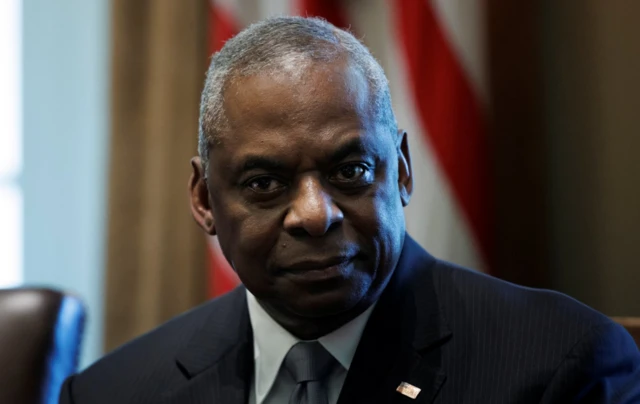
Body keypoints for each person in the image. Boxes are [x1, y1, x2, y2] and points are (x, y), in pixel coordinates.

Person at [59, 16, 640, 404]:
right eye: (265, 183)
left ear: (404, 171)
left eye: (351, 172)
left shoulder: (559, 367)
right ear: (205, 199)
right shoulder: (114, 392)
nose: (314, 214)